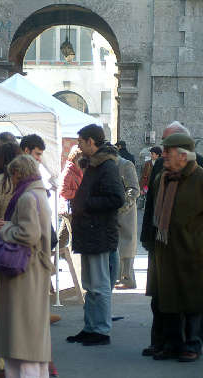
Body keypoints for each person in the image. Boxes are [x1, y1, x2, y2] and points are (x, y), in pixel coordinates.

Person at [139, 120, 203, 357]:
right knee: (168, 299)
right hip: (164, 251)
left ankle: (192, 345)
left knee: (192, 300)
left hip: (193, 252)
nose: (162, 155)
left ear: (183, 156)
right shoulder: (162, 178)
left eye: (168, 152)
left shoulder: (200, 178)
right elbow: (152, 213)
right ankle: (171, 343)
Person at [0, 154, 53, 378]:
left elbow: (29, 234)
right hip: (35, 269)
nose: (12, 180)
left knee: (21, 339)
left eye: (14, 174)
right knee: (32, 339)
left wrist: (6, 228)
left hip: (25, 273)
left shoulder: (27, 197)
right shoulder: (39, 193)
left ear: (19, 173)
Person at [66, 125, 124, 346]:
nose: (78, 146)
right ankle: (90, 327)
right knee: (90, 285)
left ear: (91, 142)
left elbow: (116, 198)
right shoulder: (95, 164)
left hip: (99, 233)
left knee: (98, 286)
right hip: (91, 233)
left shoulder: (106, 165)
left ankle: (100, 331)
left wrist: (86, 204)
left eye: (80, 141)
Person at [114, 155, 140, 290]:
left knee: (126, 244)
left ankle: (128, 279)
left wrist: (122, 205)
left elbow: (134, 190)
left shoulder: (125, 164)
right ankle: (120, 277)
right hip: (114, 211)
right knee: (119, 245)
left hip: (126, 211)